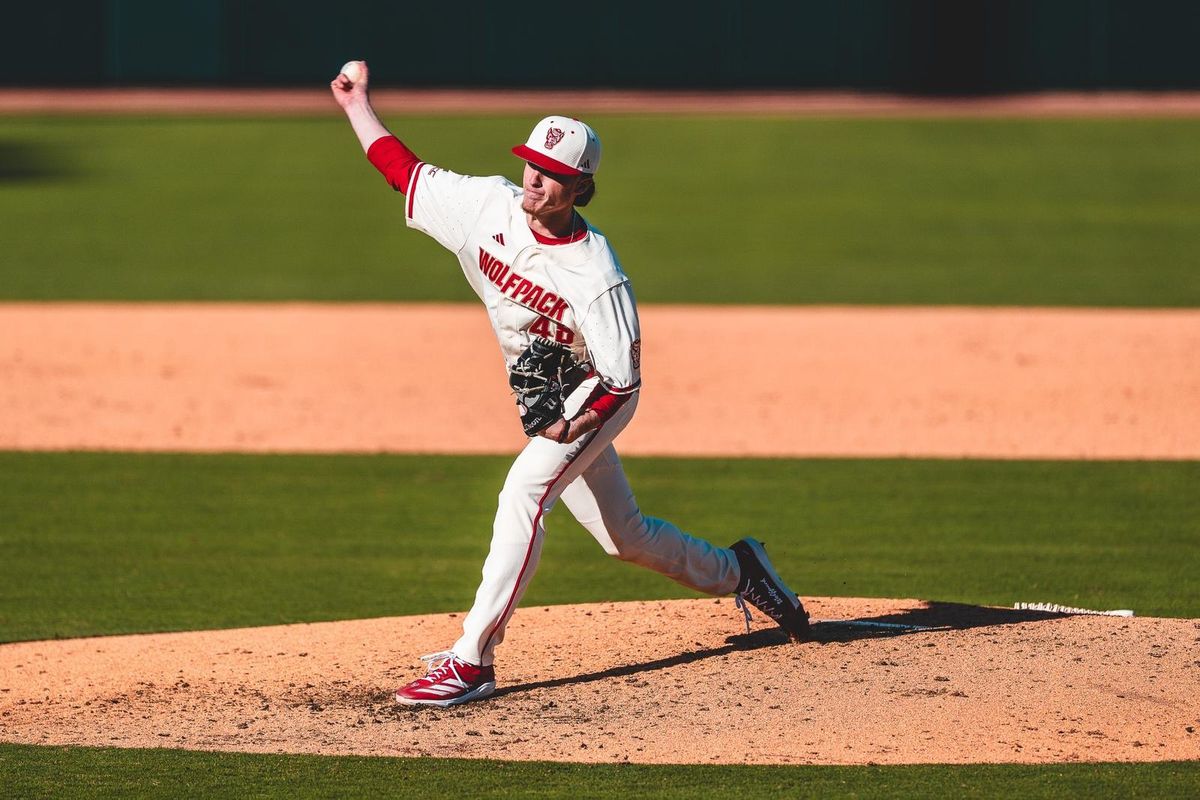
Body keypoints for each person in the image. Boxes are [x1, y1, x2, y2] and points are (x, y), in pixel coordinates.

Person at [330, 63, 809, 708]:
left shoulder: (596, 274)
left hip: (595, 395)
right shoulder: (486, 207)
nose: (535, 177)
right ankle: (741, 570)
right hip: (555, 396)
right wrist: (358, 104)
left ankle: (473, 658)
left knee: (525, 488)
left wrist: (570, 427)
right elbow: (404, 172)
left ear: (580, 187)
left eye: (551, 172)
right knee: (625, 536)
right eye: (530, 162)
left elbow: (621, 380)